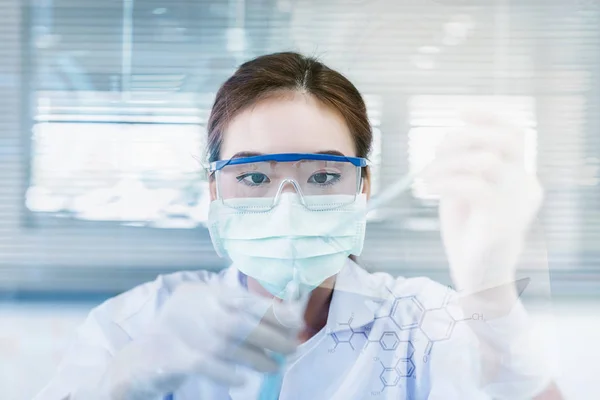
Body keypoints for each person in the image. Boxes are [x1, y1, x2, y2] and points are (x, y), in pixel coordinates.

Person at [35, 52, 563, 400]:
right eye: (256, 175)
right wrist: (127, 376)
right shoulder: (134, 325)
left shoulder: (423, 324)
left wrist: (490, 292)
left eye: (324, 174)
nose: (287, 206)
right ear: (214, 190)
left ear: (364, 187)